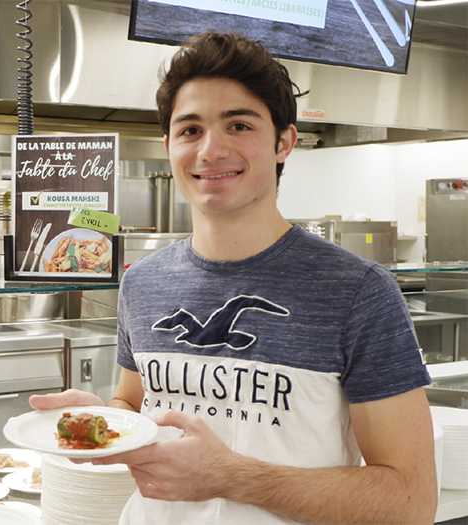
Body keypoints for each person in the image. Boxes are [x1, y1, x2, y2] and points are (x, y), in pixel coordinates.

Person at [30, 32, 437, 525]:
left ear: (284, 141)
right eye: (190, 130)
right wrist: (101, 421)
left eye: (239, 125)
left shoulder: (357, 292)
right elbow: (134, 404)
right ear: (169, 147)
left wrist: (230, 476)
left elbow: (410, 500)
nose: (211, 149)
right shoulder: (144, 282)